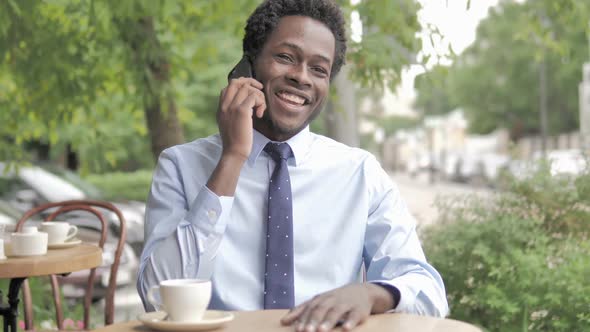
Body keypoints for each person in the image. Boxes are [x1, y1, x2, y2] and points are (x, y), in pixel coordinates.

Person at [137, 0, 449, 331]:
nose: (301, 77)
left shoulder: (360, 172)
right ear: (248, 66)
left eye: (319, 69)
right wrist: (232, 158)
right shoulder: (180, 165)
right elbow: (157, 296)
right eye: (286, 57)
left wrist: (372, 294)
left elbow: (429, 293)